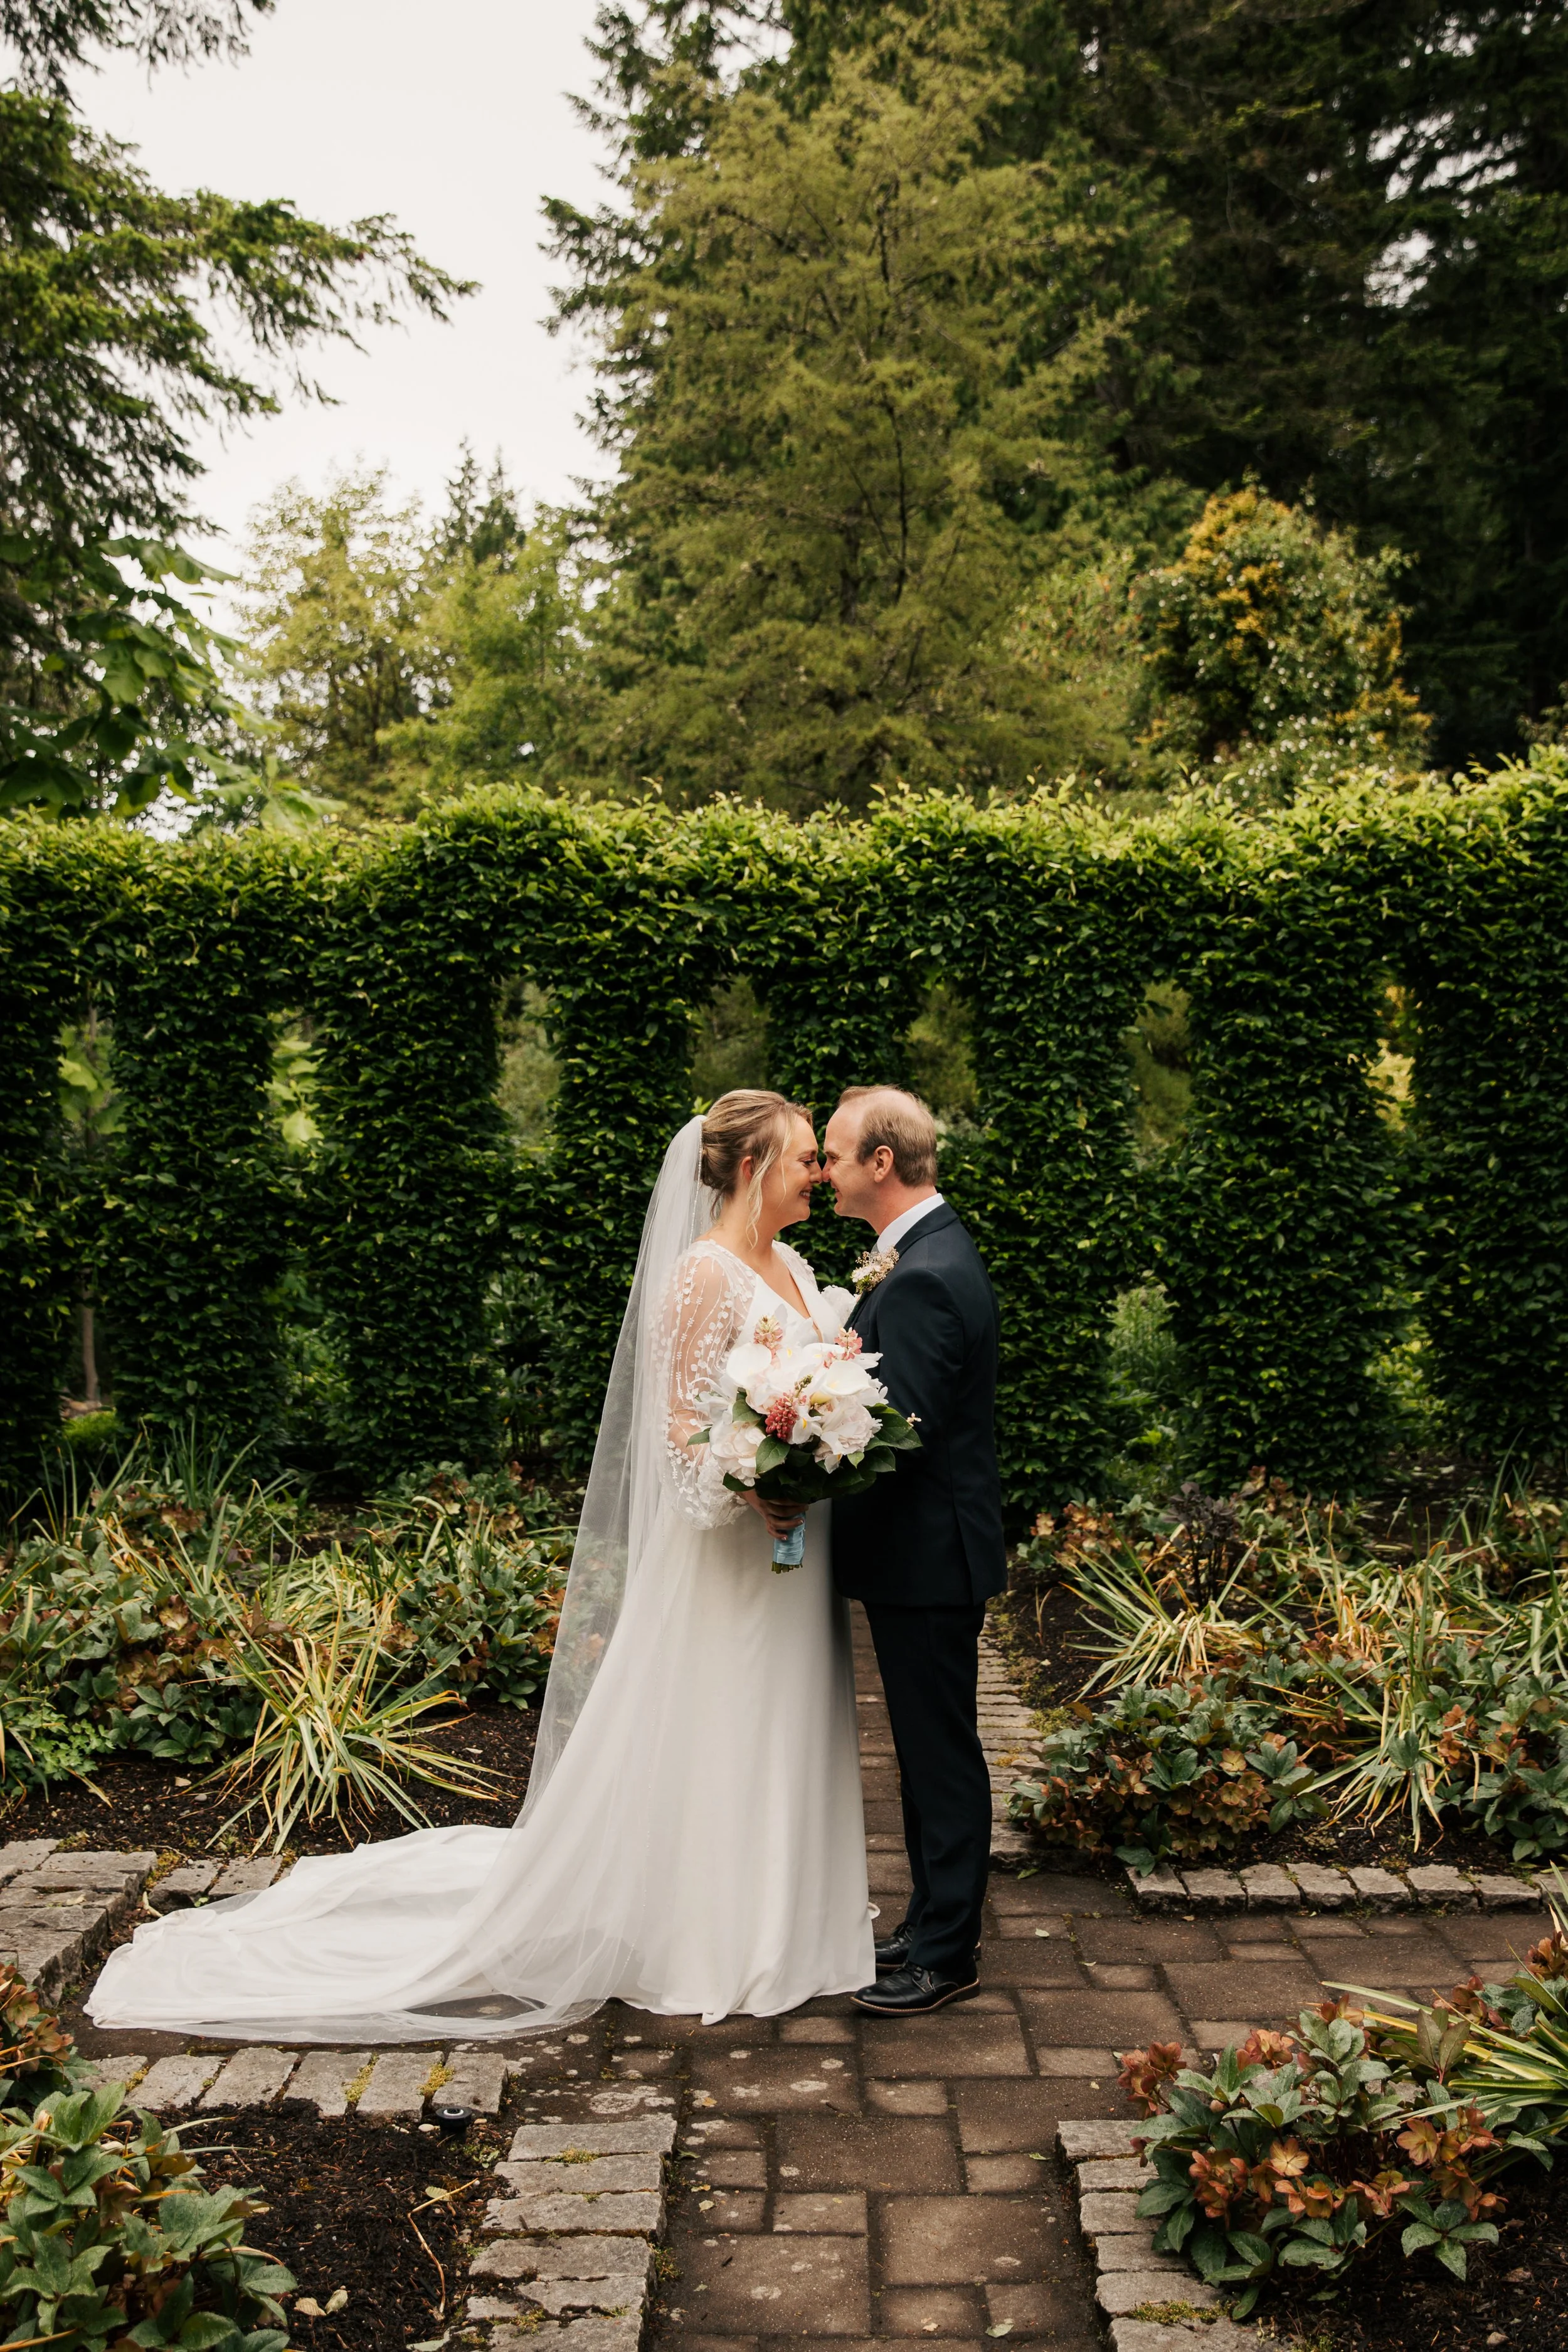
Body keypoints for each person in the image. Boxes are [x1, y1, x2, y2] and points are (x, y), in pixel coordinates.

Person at [88, 1092, 875, 2042]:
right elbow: (674, 1435)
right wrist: (749, 1478)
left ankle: (791, 1919)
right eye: (803, 1159)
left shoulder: (792, 1262)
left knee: (787, 1717)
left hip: (794, 1556)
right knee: (726, 1720)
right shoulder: (699, 1276)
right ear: (750, 1168)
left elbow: (809, 1379)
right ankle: (715, 1936)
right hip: (727, 1555)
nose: (817, 1175)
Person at [822, 1086, 1006, 2016]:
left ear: (881, 1162)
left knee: (940, 1753)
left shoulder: (926, 1271)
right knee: (925, 1748)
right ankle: (929, 1918)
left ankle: (948, 1952)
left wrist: (804, 1458)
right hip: (921, 1555)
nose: (825, 1168)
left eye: (836, 1153)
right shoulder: (920, 1254)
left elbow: (901, 1431)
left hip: (929, 1556)